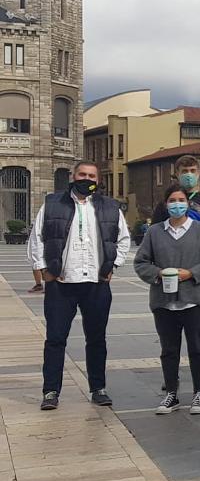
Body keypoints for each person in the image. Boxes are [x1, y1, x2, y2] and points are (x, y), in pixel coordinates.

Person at [29, 161, 131, 410]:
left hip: (96, 284)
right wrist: (45, 270)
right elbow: (37, 238)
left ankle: (98, 388)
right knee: (55, 339)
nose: (87, 179)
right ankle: (51, 391)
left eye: (91, 175)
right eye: (82, 174)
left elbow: (123, 239)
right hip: (62, 284)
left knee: (96, 339)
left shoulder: (110, 207)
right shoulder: (53, 203)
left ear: (98, 179)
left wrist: (112, 265)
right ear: (73, 177)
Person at [133, 184, 200, 415]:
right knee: (169, 349)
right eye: (172, 200)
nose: (176, 204)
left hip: (193, 299)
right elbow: (141, 262)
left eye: (180, 199)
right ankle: (171, 393)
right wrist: (157, 274)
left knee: (197, 348)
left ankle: (199, 392)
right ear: (165, 204)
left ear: (187, 203)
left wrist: (192, 273)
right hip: (164, 300)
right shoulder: (154, 232)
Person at [151, 156, 200, 388]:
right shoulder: (165, 205)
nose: (189, 174)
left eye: (193, 170)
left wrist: (194, 240)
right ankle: (171, 373)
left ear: (199, 173)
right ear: (176, 173)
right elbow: (154, 237)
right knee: (170, 322)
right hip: (171, 275)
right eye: (184, 171)